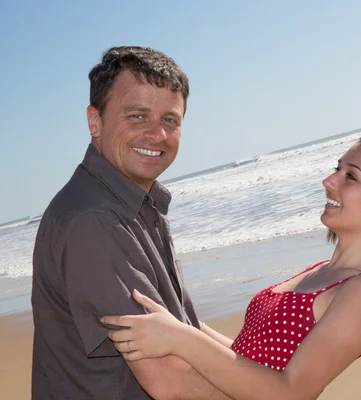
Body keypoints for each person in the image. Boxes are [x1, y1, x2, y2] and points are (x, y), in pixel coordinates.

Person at [102, 130, 361, 399]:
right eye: (336, 169)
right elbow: (251, 355)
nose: (329, 181)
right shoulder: (321, 272)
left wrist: (182, 339)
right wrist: (189, 326)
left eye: (350, 177)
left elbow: (290, 391)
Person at [31, 46, 229, 399]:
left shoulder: (137, 204)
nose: (156, 134)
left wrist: (265, 366)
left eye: (170, 120)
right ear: (95, 121)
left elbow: (184, 327)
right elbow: (170, 379)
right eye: (137, 116)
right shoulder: (94, 220)